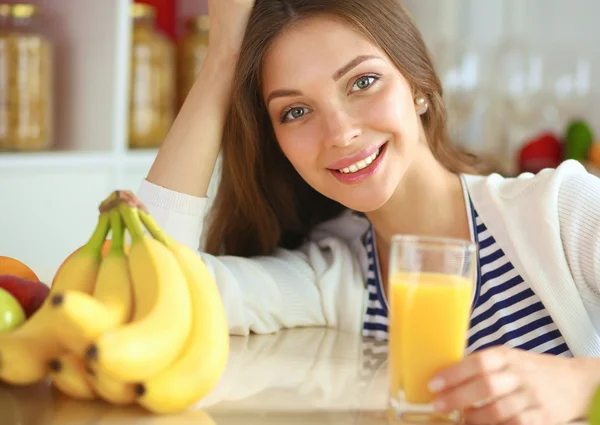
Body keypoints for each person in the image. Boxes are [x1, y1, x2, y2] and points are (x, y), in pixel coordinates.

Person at [137, 0, 600, 423]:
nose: (339, 133)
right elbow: (153, 288)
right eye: (296, 112)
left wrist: (581, 385)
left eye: (362, 82)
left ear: (417, 85)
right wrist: (223, 60)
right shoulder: (335, 280)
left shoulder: (561, 210)